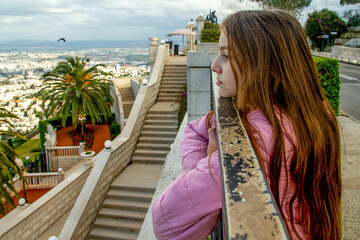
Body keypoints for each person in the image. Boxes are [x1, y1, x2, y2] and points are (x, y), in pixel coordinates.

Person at [152, 10, 341, 240]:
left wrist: (208, 169)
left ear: (264, 66)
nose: (214, 66)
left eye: (226, 56)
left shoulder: (257, 138)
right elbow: (194, 129)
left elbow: (164, 219)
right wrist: (203, 171)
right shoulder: (317, 112)